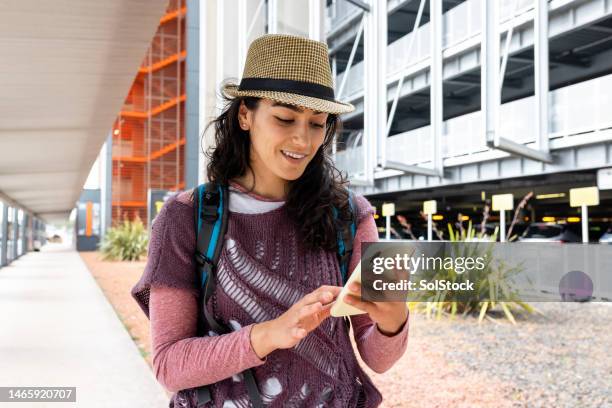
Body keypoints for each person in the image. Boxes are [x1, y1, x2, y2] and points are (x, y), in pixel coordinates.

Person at [131, 34, 409, 408]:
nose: (303, 139)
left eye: (317, 123)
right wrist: (270, 334)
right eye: (284, 118)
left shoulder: (350, 214)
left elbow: (378, 358)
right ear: (245, 114)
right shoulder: (187, 217)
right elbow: (169, 365)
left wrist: (394, 319)